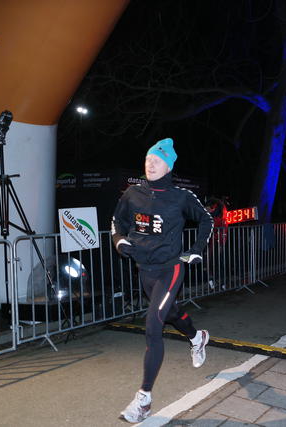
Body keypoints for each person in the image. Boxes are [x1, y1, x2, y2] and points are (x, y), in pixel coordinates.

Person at [111, 138, 214, 423]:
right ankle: (197, 337)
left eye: (157, 160)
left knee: (154, 323)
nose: (150, 164)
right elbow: (117, 222)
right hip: (144, 269)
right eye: (148, 159)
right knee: (169, 313)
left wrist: (196, 250)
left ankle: (143, 399)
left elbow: (207, 220)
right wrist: (119, 240)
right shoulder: (132, 193)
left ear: (168, 166)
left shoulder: (181, 196)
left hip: (171, 267)